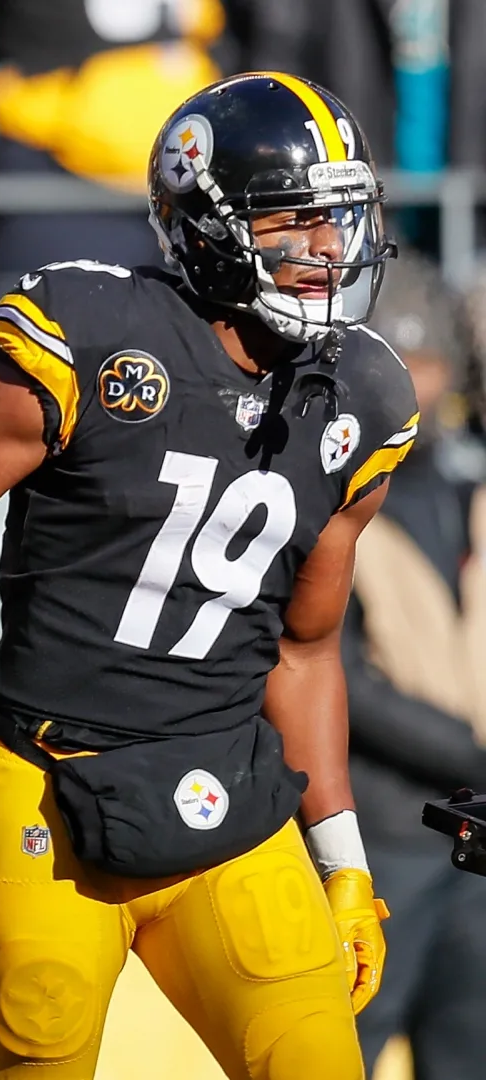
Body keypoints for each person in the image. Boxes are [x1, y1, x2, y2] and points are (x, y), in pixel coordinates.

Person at [0, 72, 408, 1079]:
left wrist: (344, 861)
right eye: (294, 221)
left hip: (232, 800)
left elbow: (305, 644)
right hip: (52, 797)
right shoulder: (96, 334)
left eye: (340, 220)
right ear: (207, 225)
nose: (329, 250)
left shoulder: (361, 394)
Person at [334, 251, 486, 1079]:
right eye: (397, 364)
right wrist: (471, 752)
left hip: (477, 851)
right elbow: (340, 679)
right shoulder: (334, 509)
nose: (415, 389)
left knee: (466, 1054)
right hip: (383, 838)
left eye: (427, 365)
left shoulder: (472, 497)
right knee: (339, 1051)